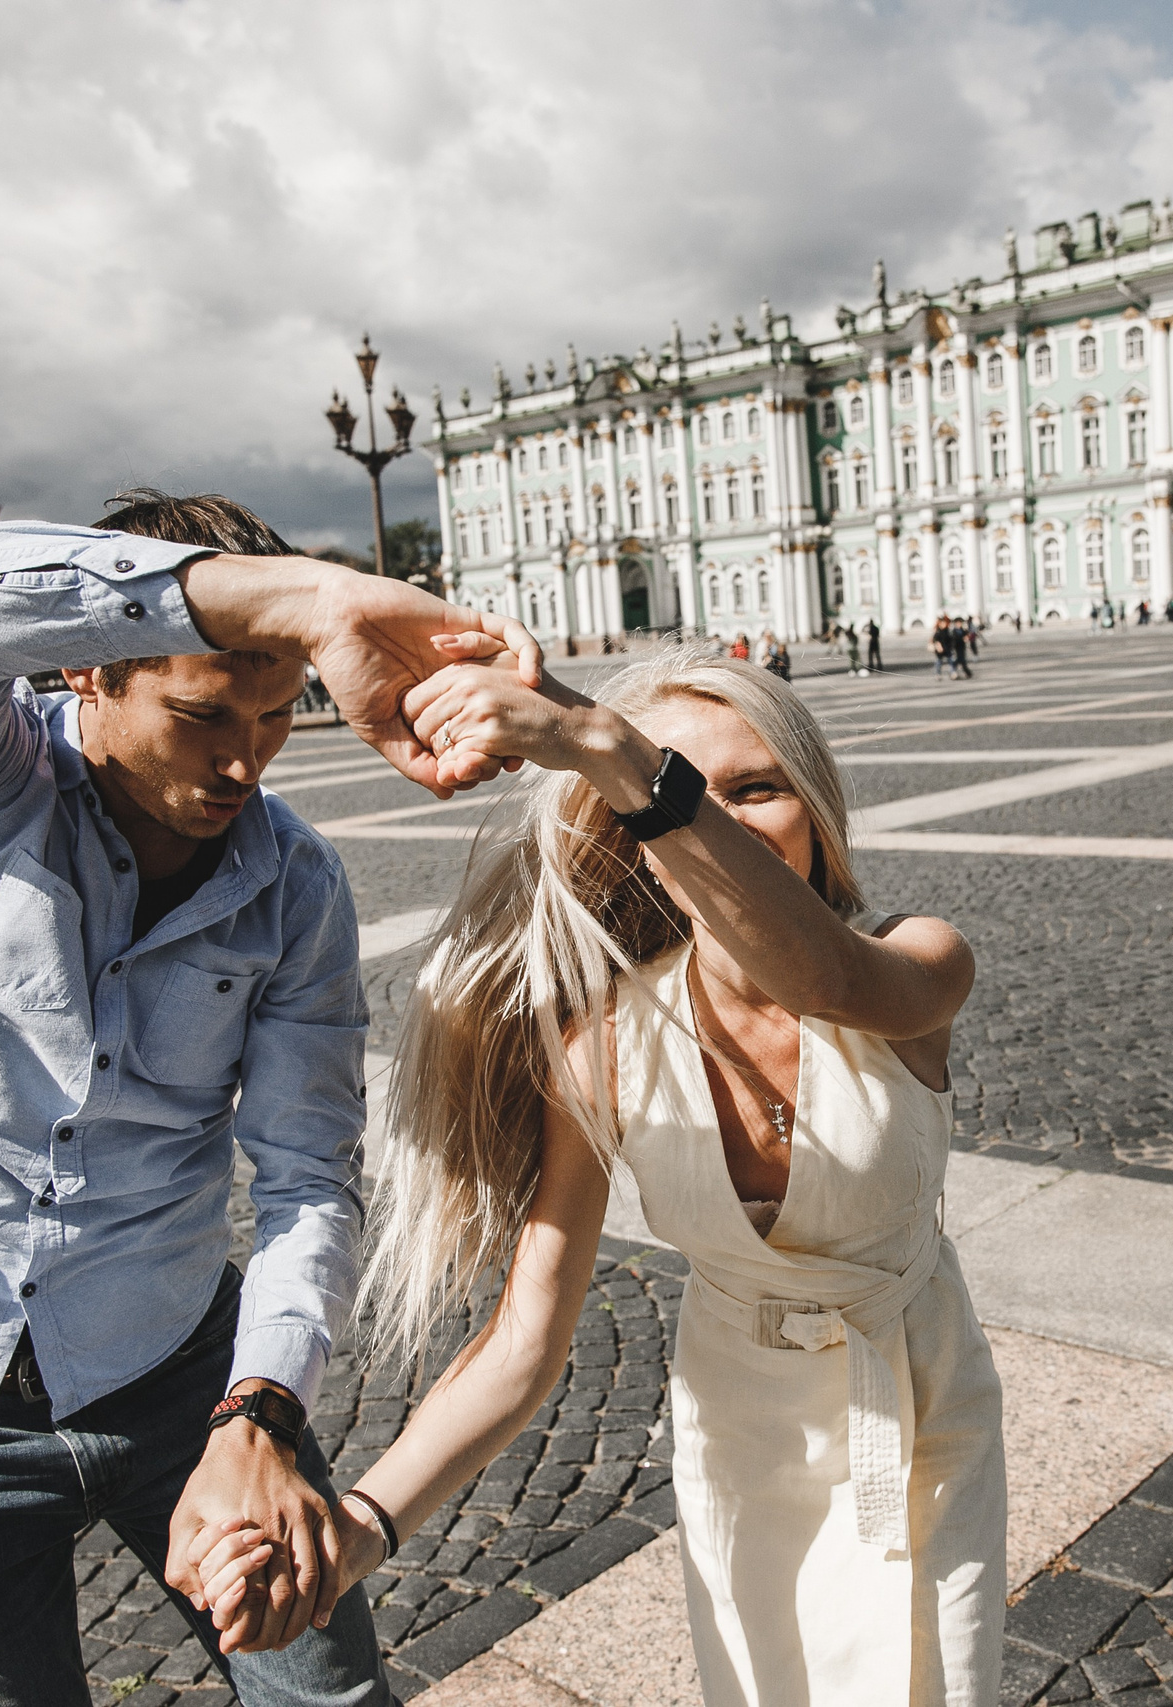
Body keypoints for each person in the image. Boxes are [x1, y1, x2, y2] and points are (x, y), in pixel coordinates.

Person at [0, 491, 538, 1705]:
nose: (243, 760)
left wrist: (258, 1409)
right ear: (88, 667)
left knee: (327, 1692)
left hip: (189, 1380)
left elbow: (308, 1173)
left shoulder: (292, 882)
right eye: (202, 715)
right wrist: (311, 597)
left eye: (275, 714)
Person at [305, 645, 1003, 1707]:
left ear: (817, 811)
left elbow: (817, 975)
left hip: (917, 1396)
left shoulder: (917, 960)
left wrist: (611, 753)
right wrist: (360, 1526)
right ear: (627, 837)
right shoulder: (602, 1046)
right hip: (738, 1422)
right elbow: (522, 1344)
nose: (716, 820)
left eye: (756, 789)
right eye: (681, 792)